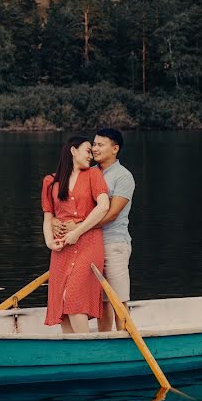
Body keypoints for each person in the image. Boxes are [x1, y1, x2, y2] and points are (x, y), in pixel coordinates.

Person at [54, 128, 135, 332]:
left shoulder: (123, 177)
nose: (95, 149)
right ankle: (105, 341)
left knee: (117, 298)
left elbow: (111, 214)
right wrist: (56, 222)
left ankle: (124, 339)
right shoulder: (88, 171)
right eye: (93, 145)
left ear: (114, 149)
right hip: (87, 244)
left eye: (100, 145)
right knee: (102, 301)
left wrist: (78, 228)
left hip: (114, 243)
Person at [41, 136, 110, 333]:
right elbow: (48, 217)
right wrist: (49, 242)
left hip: (89, 241)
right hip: (62, 247)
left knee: (73, 295)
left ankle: (86, 347)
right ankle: (72, 350)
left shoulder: (94, 175)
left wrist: (78, 232)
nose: (91, 156)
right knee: (62, 301)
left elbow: (104, 206)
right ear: (73, 151)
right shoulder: (50, 182)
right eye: (88, 151)